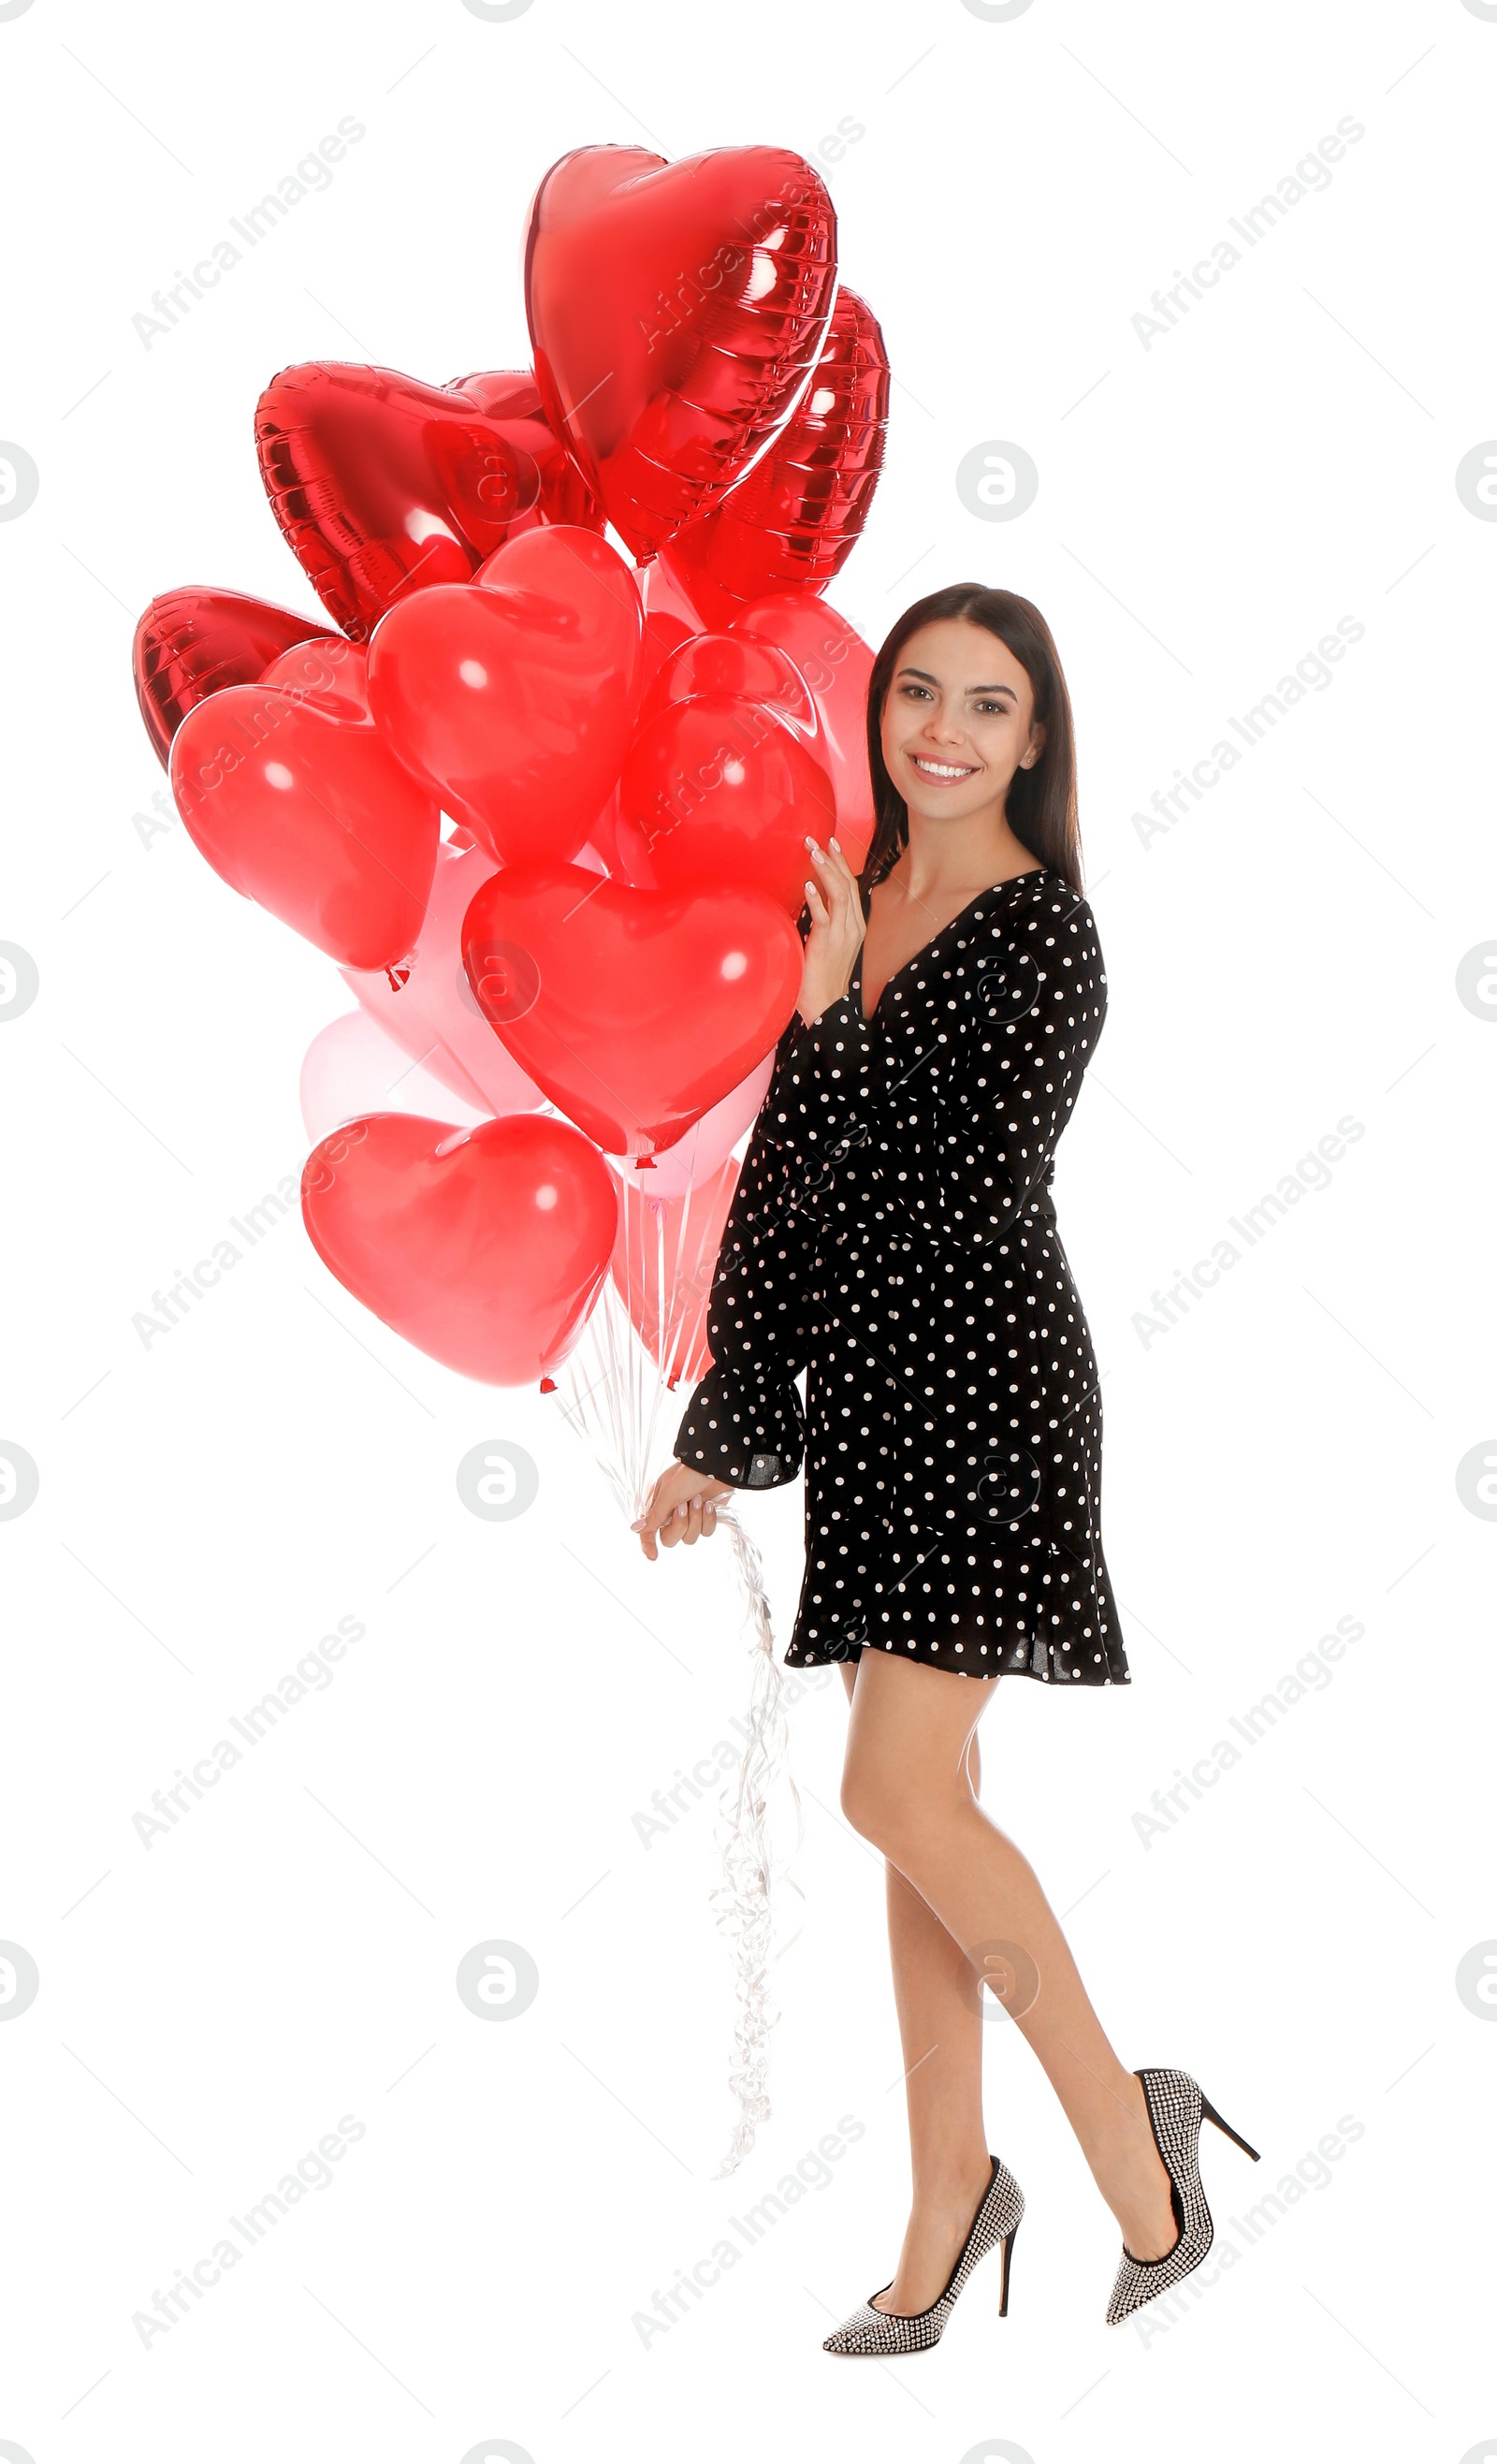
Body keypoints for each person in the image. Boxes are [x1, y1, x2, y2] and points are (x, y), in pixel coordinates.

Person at [633, 585, 1257, 2351]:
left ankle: (1136, 2154)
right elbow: (786, 1181)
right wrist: (723, 1424)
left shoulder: (1046, 939)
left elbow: (931, 1185)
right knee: (924, 1815)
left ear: (1036, 740)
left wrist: (826, 1023)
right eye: (918, 691)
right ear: (881, 709)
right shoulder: (846, 894)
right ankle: (946, 2196)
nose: (944, 730)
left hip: (989, 1390)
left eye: (990, 705)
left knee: (894, 1795)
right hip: (874, 1399)